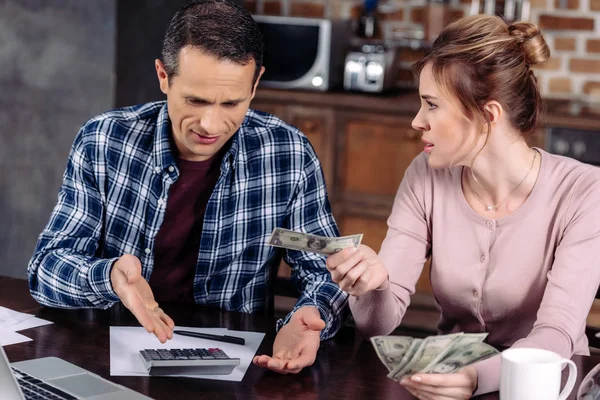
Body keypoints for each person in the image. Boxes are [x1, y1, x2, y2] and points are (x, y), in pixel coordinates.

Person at [27, 0, 348, 375]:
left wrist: (310, 314)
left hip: (232, 367)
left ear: (256, 83)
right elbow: (46, 269)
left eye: (232, 103)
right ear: (164, 76)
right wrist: (110, 277)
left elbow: (327, 267)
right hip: (108, 354)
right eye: (195, 100)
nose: (211, 125)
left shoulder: (288, 155)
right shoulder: (103, 141)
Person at [326, 15, 600, 399]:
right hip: (445, 381)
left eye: (432, 105)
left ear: (488, 115)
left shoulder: (585, 192)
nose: (417, 121)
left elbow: (556, 333)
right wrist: (372, 286)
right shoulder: (425, 175)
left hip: (543, 386)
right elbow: (378, 326)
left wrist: (476, 378)